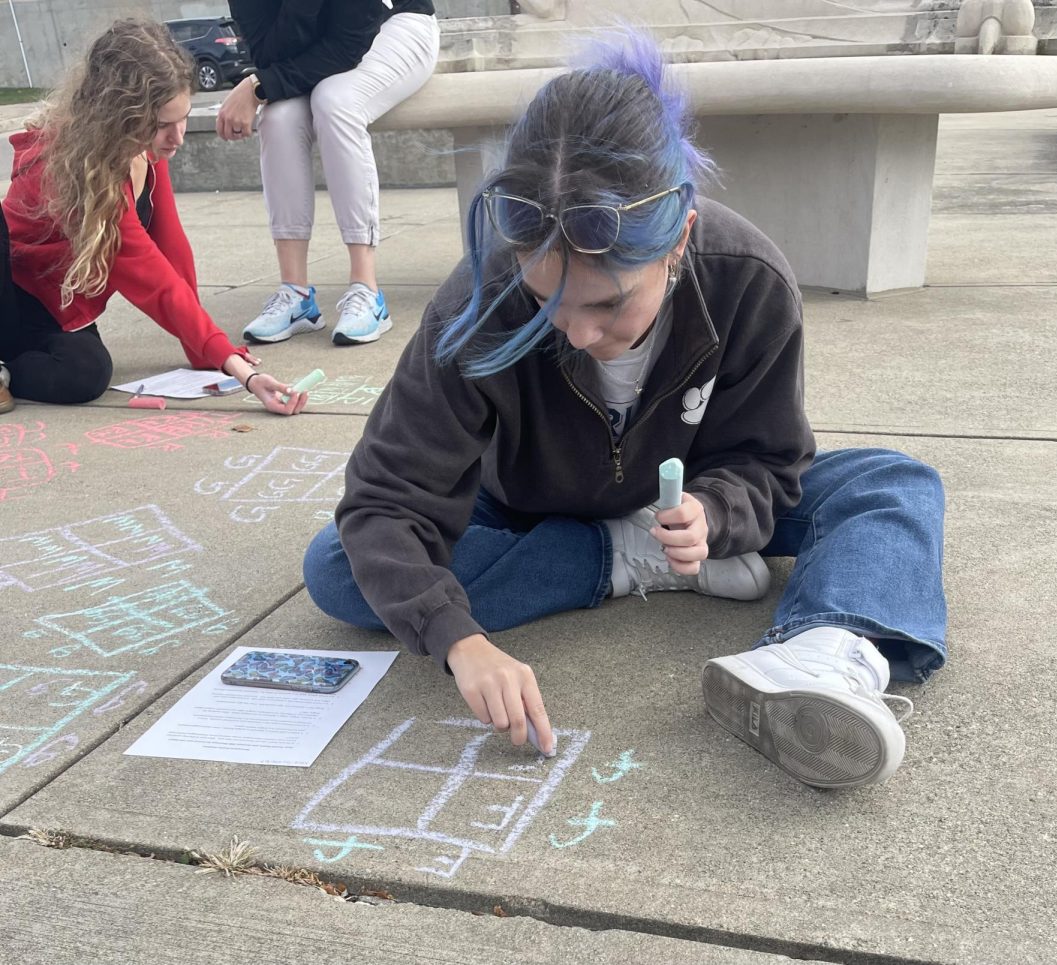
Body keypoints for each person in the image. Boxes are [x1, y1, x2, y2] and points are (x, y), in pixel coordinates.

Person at [303, 36, 948, 790]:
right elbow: (385, 499)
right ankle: (615, 557)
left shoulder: (750, 279)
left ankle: (823, 647)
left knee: (894, 486)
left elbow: (771, 462)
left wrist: (716, 513)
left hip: (688, 504)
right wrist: (458, 640)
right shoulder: (475, 302)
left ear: (679, 237)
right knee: (339, 565)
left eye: (610, 304)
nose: (577, 333)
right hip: (526, 500)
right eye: (548, 303)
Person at [0, 19, 307, 415]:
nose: (178, 137)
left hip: (55, 306)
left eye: (182, 118)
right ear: (118, 117)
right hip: (13, 297)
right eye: (163, 125)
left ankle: (7, 368)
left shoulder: (141, 150)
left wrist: (203, 349)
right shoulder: (74, 169)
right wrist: (241, 372)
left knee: (86, 373)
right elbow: (150, 275)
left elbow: (171, 246)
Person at [217, 0, 439, 346]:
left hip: (398, 25)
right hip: (322, 46)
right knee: (278, 119)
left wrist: (258, 86)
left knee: (336, 102)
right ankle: (295, 294)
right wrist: (262, 81)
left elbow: (348, 44)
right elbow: (268, 53)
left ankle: (367, 290)